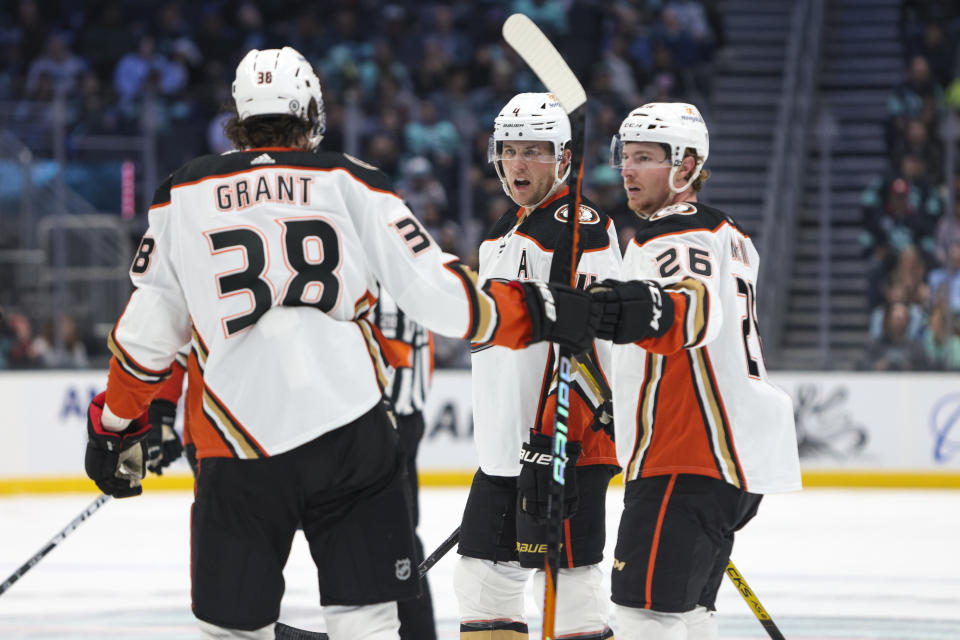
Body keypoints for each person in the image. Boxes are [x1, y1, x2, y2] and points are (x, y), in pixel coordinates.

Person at [82, 47, 598, 640]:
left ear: (239, 116)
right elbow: (442, 295)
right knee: (368, 623)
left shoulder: (185, 191)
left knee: (231, 629)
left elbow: (145, 340)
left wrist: (116, 427)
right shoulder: (352, 180)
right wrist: (542, 310)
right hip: (351, 432)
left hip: (236, 440)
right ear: (312, 114)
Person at [587, 102, 802, 639]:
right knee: (690, 617)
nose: (627, 170)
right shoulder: (729, 235)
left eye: (644, 158)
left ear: (686, 167)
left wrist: (620, 306)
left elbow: (690, 309)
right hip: (730, 459)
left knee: (646, 617)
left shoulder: (672, 233)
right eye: (624, 156)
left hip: (685, 452)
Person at [455, 92, 622, 639]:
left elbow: (605, 338)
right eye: (509, 149)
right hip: (504, 452)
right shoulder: (505, 231)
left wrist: (567, 432)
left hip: (560, 445)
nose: (519, 163)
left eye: (535, 150)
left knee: (568, 586)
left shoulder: (580, 225)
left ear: (565, 160)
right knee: (482, 580)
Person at [371, 285, 438, 639]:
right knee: (399, 535)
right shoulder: (408, 271)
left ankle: (414, 631)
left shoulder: (385, 281)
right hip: (400, 419)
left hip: (387, 421)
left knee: (397, 538)